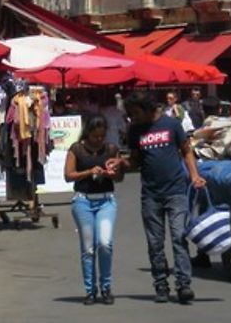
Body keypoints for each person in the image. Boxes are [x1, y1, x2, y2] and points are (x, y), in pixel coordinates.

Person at [108, 91, 205, 305]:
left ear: (148, 109)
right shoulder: (135, 130)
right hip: (151, 194)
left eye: (135, 113)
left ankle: (183, 285)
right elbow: (135, 161)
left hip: (176, 191)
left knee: (179, 237)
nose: (132, 118)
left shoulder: (171, 125)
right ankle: (161, 284)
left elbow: (186, 150)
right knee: (155, 243)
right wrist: (122, 163)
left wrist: (195, 175)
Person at [64, 114, 122, 305]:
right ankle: (90, 290)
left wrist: (112, 173)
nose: (99, 140)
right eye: (95, 136)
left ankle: (106, 287)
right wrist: (89, 172)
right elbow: (68, 175)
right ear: (88, 133)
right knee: (88, 249)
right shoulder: (77, 149)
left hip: (106, 201)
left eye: (102, 136)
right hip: (83, 202)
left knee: (105, 244)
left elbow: (119, 177)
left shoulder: (112, 149)